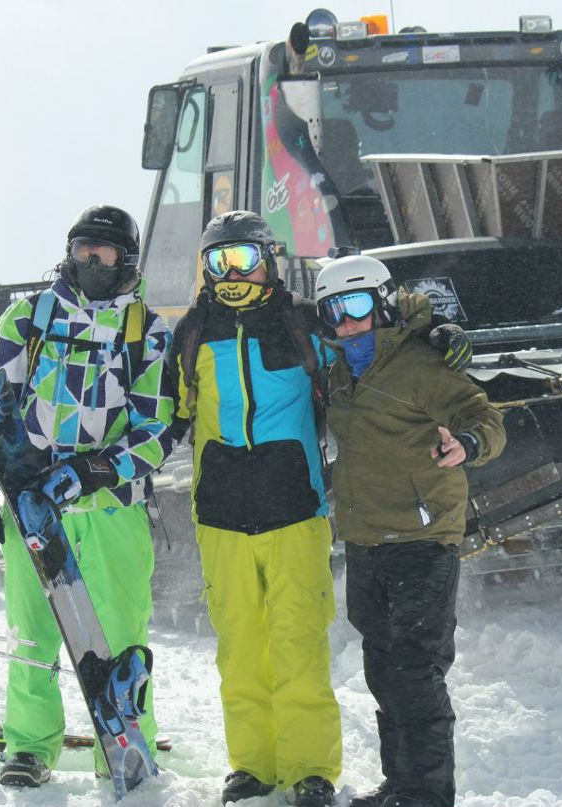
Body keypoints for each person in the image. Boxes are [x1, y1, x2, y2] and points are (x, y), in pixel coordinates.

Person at [166, 211, 470, 807]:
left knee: (297, 641)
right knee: (239, 645)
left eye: (244, 260)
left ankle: (310, 769)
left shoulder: (302, 322)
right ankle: (252, 764)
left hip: (295, 506)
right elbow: (172, 408)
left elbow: (376, 335)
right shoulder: (192, 332)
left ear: (268, 260)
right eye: (219, 262)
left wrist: (440, 334)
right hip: (220, 511)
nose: (233, 274)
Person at [0, 205, 176, 788]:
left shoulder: (147, 331)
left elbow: (158, 430)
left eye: (104, 253)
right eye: (83, 249)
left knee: (118, 632)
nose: (91, 262)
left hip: (109, 510)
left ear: (126, 259)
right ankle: (30, 746)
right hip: (33, 503)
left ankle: (127, 743)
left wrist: (95, 471)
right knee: (32, 632)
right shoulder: (27, 318)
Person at [314, 255, 505, 807]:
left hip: (422, 540)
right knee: (383, 668)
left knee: (414, 671)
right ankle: (401, 785)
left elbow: (484, 418)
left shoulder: (422, 364)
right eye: (334, 313)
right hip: (368, 538)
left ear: (383, 303)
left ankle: (426, 795)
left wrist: (466, 444)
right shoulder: (338, 371)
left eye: (356, 308)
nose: (347, 324)